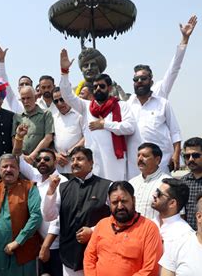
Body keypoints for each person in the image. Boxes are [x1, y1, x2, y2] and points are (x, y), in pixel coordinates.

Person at [126, 15, 198, 177]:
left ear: (151, 80)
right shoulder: (128, 104)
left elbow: (175, 131)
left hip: (162, 163)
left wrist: (184, 39)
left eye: (143, 78)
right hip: (134, 166)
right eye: (136, 79)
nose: (139, 82)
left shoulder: (161, 98)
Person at [59, 49, 135, 181]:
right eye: (95, 87)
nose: (98, 89)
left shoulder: (121, 106)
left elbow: (129, 127)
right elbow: (67, 95)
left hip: (115, 160)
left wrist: (105, 124)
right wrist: (64, 72)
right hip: (93, 161)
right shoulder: (86, 106)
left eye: (102, 86)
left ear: (110, 88)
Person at [43, 146, 111, 276]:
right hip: (70, 255)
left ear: (91, 163)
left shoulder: (107, 186)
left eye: (79, 159)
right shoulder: (62, 187)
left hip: (99, 255)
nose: (74, 163)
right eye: (72, 159)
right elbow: (49, 216)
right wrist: (51, 191)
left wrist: (93, 231)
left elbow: (115, 219)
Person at [13, 124, 68, 276]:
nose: (42, 162)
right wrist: (19, 138)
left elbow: (57, 218)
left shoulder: (62, 182)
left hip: (56, 247)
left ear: (55, 162)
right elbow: (17, 158)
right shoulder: (37, 176)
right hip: (39, 244)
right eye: (39, 159)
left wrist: (46, 247)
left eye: (47, 159)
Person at [83, 181, 163, 276]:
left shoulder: (149, 228)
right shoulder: (102, 225)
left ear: (133, 200)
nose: (120, 206)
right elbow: (89, 258)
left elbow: (150, 269)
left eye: (124, 201)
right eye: (115, 202)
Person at [129, 143, 171, 221]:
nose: (140, 159)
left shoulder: (168, 183)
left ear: (157, 160)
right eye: (138, 155)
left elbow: (178, 214)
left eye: (145, 156)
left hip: (158, 231)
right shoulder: (132, 183)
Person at [12, 84, 54, 162]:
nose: (26, 101)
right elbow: (14, 139)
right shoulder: (17, 117)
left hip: (40, 160)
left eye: (28, 98)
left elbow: (48, 138)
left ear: (35, 98)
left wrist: (32, 156)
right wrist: (22, 157)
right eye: (23, 99)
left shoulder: (46, 114)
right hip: (22, 160)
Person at [151, 178, 194, 249]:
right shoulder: (150, 224)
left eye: (159, 193)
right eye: (156, 191)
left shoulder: (185, 235)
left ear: (172, 203)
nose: (154, 195)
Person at [51, 86, 85, 174]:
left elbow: (87, 136)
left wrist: (71, 151)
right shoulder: (53, 118)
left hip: (77, 163)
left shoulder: (79, 114)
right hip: (59, 165)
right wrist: (55, 155)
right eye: (56, 101)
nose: (59, 103)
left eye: (62, 99)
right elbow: (50, 140)